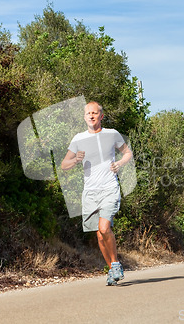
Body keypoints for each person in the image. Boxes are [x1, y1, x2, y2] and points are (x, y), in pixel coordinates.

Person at [61, 101, 133, 286]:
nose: (91, 116)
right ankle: (112, 269)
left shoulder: (112, 134)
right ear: (84, 117)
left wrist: (119, 164)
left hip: (109, 188)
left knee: (104, 228)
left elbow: (127, 153)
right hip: (90, 192)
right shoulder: (78, 139)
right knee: (99, 235)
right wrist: (75, 160)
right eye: (88, 113)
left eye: (95, 113)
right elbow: (64, 165)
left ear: (101, 116)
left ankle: (115, 263)